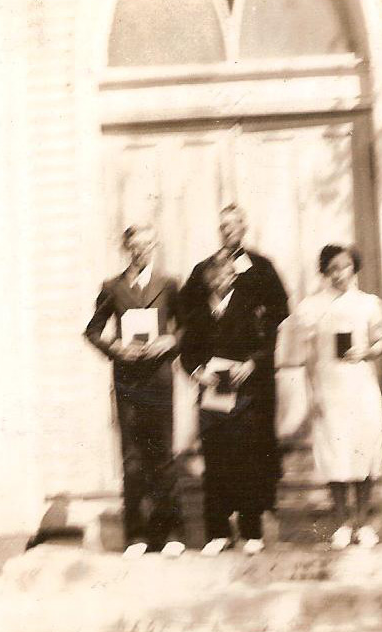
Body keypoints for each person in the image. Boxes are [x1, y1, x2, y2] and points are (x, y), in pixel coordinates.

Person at [180, 205, 289, 556]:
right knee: (215, 458)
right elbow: (187, 331)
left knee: (251, 455)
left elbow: (275, 318)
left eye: (234, 225)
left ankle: (252, 526)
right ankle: (218, 531)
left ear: (244, 227)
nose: (228, 230)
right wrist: (197, 371)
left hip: (250, 384)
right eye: (223, 226)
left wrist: (254, 362)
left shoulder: (260, 268)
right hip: (213, 389)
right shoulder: (203, 277)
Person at [84, 224, 185, 558]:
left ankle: (171, 533)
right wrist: (116, 348)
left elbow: (187, 326)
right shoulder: (112, 287)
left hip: (159, 379)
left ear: (155, 246)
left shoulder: (169, 284)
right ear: (126, 248)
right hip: (128, 382)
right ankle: (136, 535)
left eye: (148, 245)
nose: (142, 251)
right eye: (136, 245)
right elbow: (93, 331)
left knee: (164, 456)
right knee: (132, 460)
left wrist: (170, 341)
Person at [294, 243, 382, 550]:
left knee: (363, 450)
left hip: (360, 386)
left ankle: (363, 522)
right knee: (335, 454)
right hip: (329, 388)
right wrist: (313, 393)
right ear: (324, 271)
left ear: (353, 268)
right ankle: (343, 523)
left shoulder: (368, 304)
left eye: (345, 266)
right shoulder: (312, 307)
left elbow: (381, 341)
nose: (339, 274)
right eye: (332, 268)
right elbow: (308, 356)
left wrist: (366, 351)